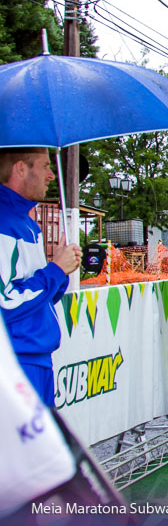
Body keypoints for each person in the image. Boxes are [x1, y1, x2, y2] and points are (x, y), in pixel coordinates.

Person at [0, 148, 82, 406]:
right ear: (21, 169)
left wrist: (61, 272)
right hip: (16, 361)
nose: (51, 175)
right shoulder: (4, 224)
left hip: (34, 357)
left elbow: (36, 297)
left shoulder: (26, 223)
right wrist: (55, 270)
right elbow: (6, 302)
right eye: (45, 166)